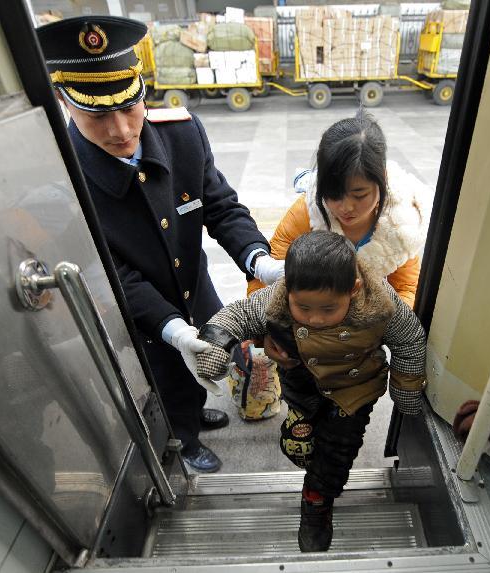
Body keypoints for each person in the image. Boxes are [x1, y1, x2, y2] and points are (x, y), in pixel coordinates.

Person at [36, 16, 285, 473]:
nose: (120, 129)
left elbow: (221, 208)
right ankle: (182, 440)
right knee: (163, 378)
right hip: (141, 313)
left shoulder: (182, 134)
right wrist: (172, 328)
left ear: (141, 88)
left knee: (208, 356)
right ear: (64, 101)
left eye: (130, 107)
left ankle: (192, 414)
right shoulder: (63, 176)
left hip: (196, 287)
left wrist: (260, 261)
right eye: (97, 115)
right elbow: (110, 272)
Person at [193, 230, 427, 552]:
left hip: (353, 391)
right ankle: (313, 462)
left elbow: (410, 340)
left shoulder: (382, 305)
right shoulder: (276, 297)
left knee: (336, 453)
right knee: (299, 444)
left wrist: (406, 393)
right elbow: (240, 314)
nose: (315, 319)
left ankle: (316, 505)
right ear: (289, 291)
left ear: (354, 289)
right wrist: (215, 347)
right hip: (302, 384)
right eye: (303, 308)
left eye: (328, 310)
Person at [246, 110, 433, 309]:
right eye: (333, 193)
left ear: (382, 180)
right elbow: (265, 280)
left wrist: (389, 329)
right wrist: (263, 329)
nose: (346, 207)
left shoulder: (401, 224)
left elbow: (405, 288)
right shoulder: (307, 214)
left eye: (359, 195)